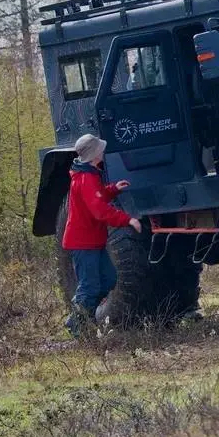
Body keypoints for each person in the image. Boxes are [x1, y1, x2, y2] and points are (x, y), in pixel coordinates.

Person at [62, 133, 142, 334]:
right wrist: (128, 219)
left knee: (108, 279)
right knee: (89, 286)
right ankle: (78, 327)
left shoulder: (88, 174)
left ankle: (82, 316)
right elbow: (99, 210)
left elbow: (95, 197)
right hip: (83, 243)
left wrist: (113, 189)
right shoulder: (86, 177)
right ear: (95, 154)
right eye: (100, 149)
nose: (103, 151)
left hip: (93, 242)